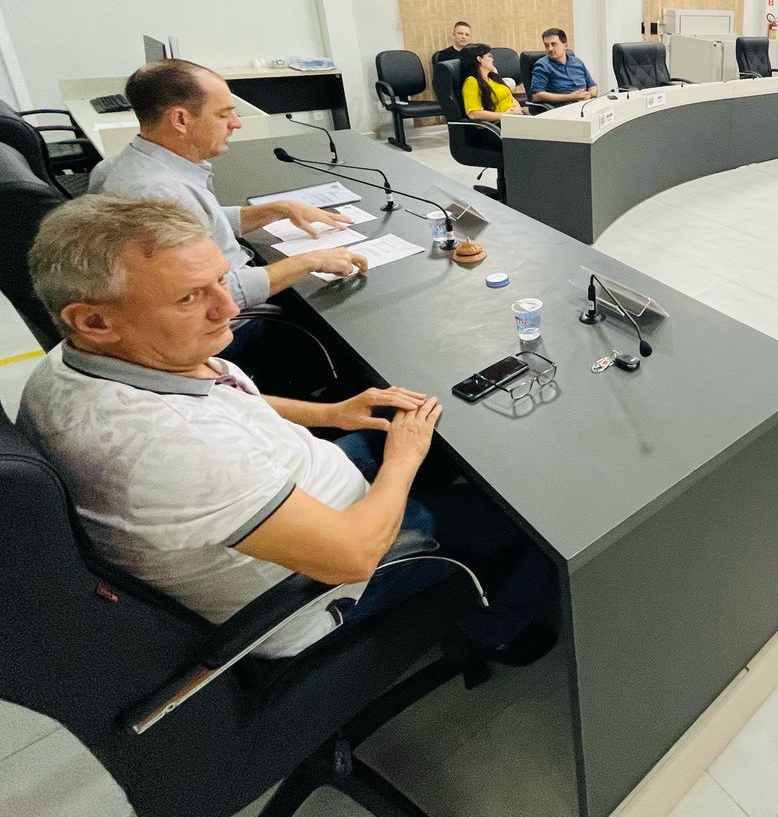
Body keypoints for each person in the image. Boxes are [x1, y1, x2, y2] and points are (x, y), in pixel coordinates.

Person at [19, 196, 556, 662]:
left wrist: (333, 413)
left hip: (291, 487)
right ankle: (493, 633)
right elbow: (354, 556)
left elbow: (227, 399)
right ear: (94, 320)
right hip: (324, 588)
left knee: (420, 426)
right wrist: (403, 459)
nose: (228, 307)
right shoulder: (163, 447)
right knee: (534, 519)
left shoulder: (78, 361)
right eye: (189, 297)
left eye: (220, 281)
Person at [89, 59, 368, 311]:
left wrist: (279, 209)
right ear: (180, 119)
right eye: (223, 115)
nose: (236, 124)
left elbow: (199, 221)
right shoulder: (160, 195)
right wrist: (309, 261)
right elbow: (210, 297)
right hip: (234, 322)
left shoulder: (118, 166)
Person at [527, 28, 598, 106]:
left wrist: (589, 94)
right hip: (563, 107)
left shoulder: (577, 62)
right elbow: (537, 96)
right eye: (546, 45)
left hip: (585, 104)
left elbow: (593, 87)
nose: (550, 49)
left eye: (553, 44)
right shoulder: (542, 65)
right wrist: (570, 97)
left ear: (565, 45)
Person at [460, 43, 525, 122]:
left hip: (514, 118)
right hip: (498, 123)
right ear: (479, 59)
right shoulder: (471, 82)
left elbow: (509, 96)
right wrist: (505, 115)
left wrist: (518, 108)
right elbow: (474, 114)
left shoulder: (492, 76)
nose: (492, 60)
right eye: (489, 56)